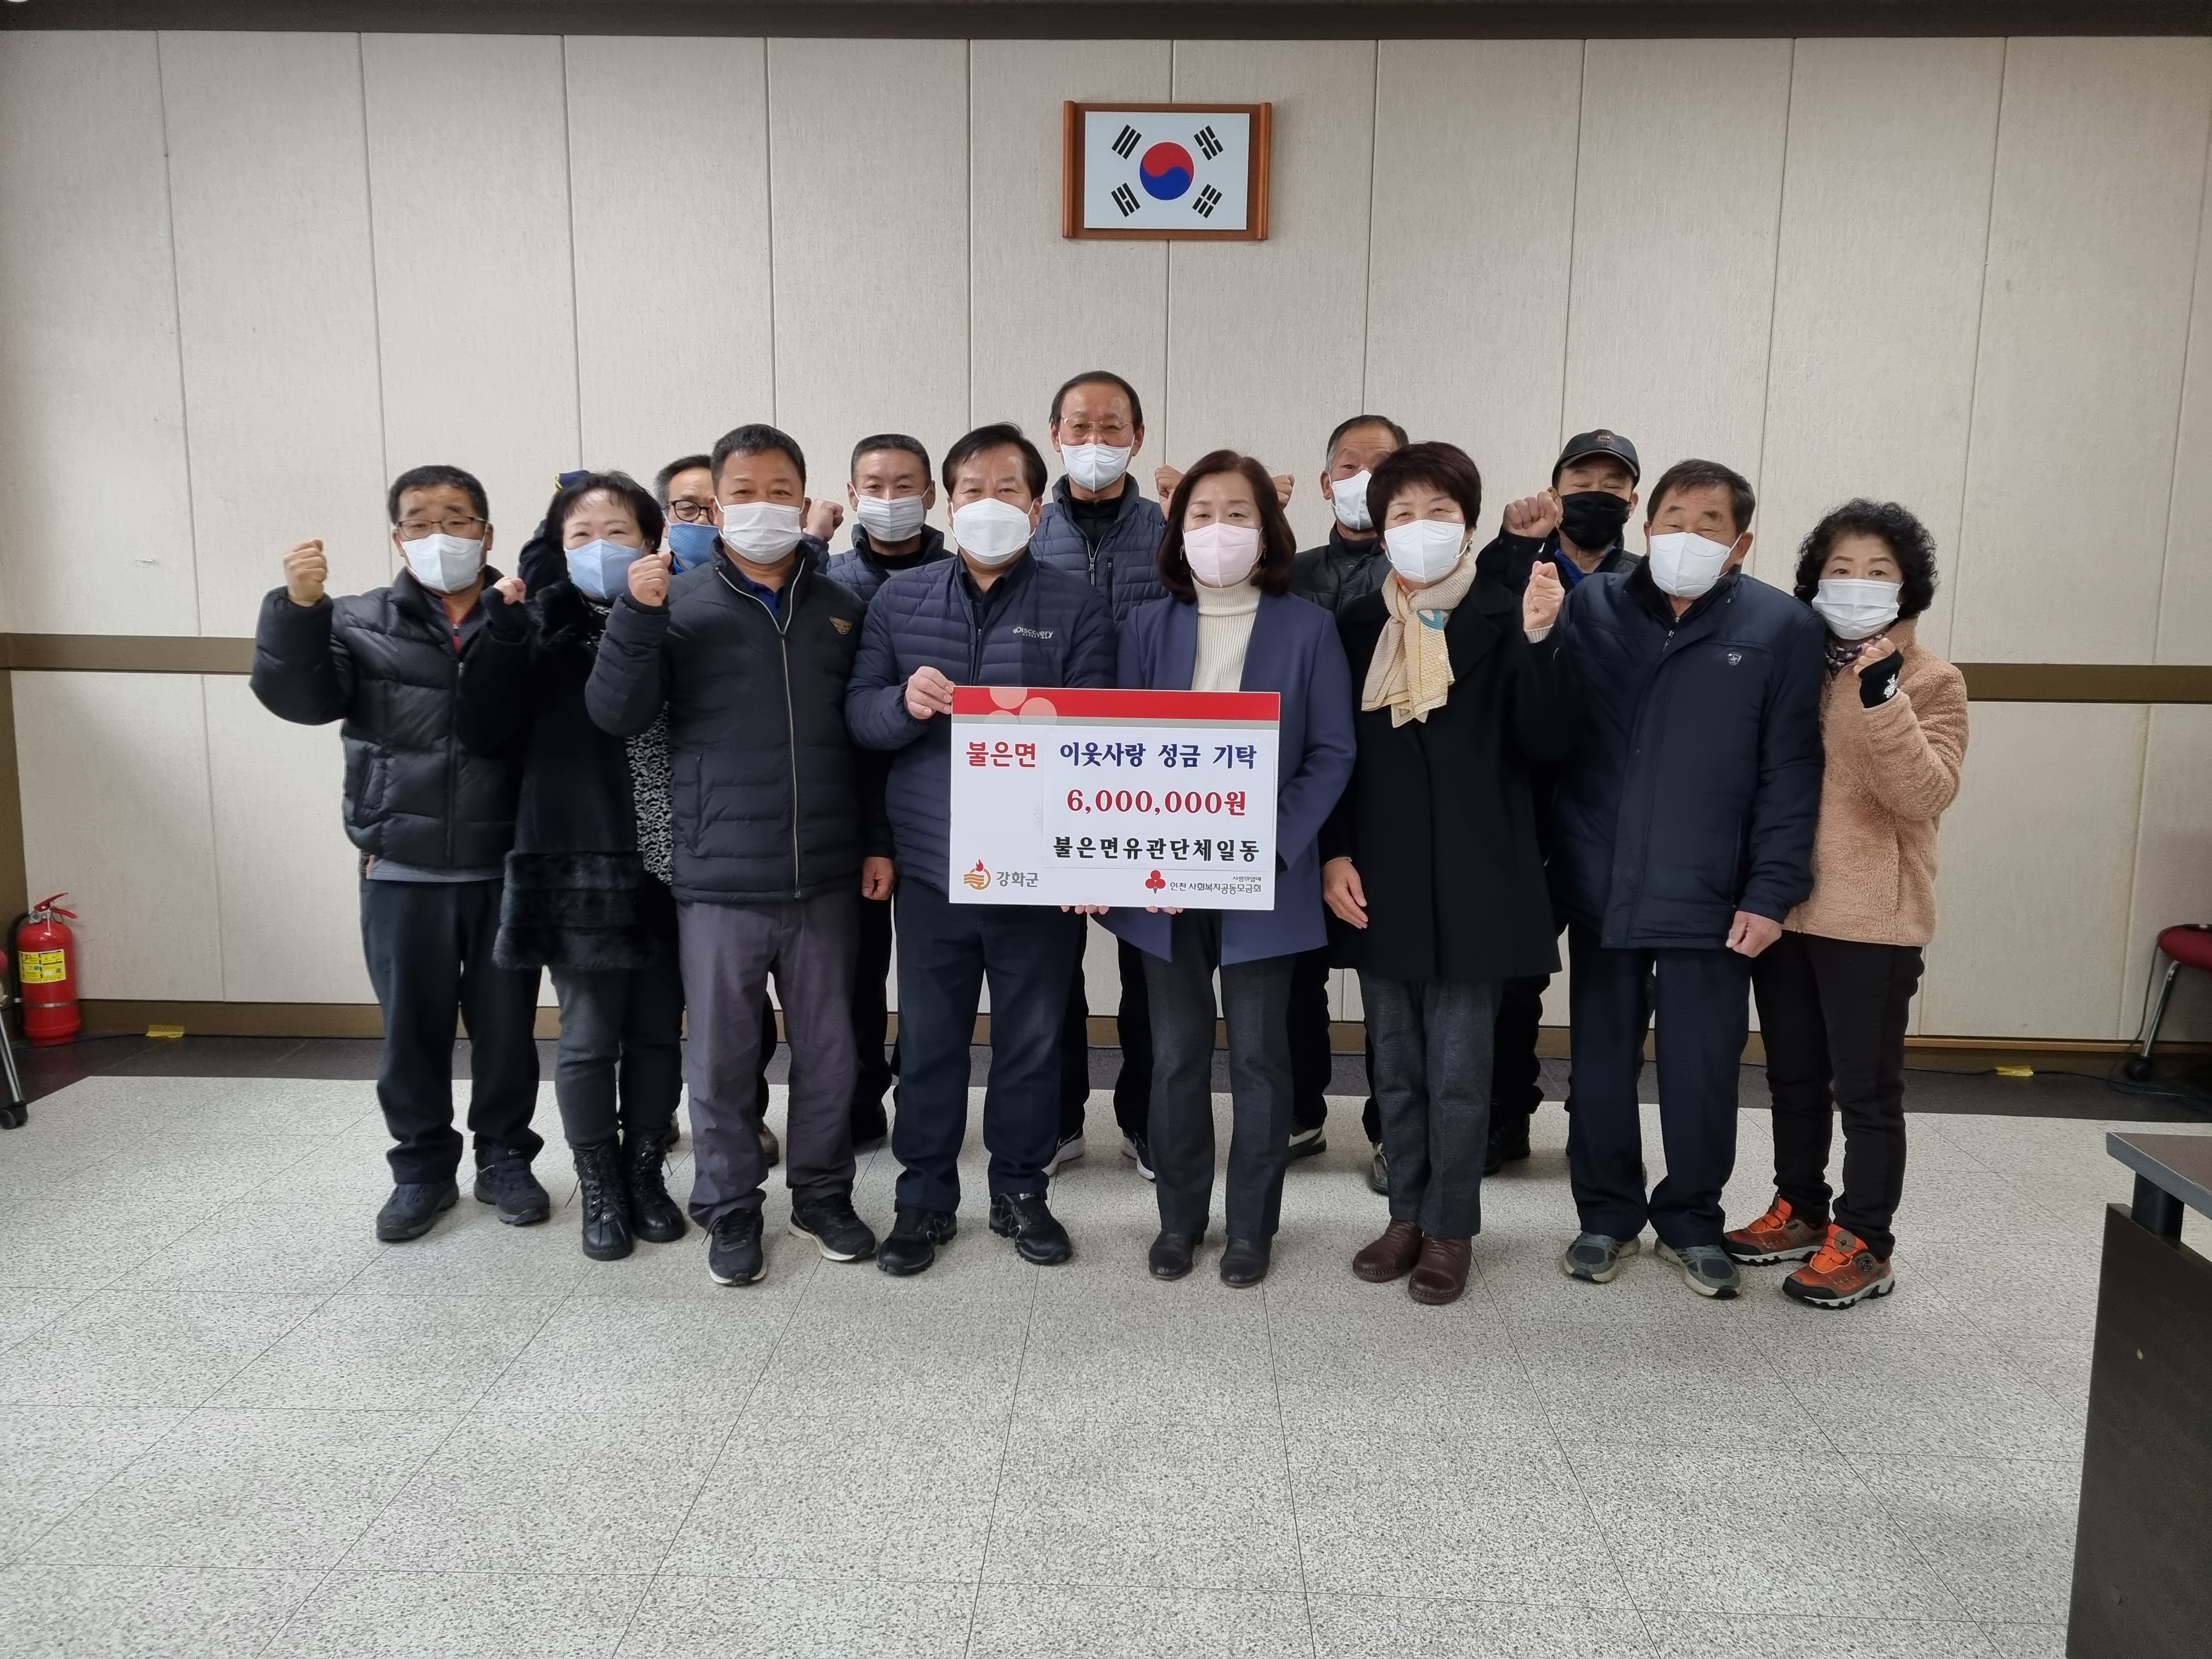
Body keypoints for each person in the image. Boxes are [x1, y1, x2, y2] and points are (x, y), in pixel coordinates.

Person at [588, 424, 890, 1287]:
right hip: (718, 875)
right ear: (717, 508)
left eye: (780, 491)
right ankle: (729, 1208)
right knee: (720, 1059)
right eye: (745, 493)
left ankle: (823, 1196)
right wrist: (636, 618)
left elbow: (866, 740)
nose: (764, 507)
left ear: (805, 500)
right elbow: (615, 713)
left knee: (832, 1053)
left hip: (825, 872)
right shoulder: (675, 604)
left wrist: (876, 841)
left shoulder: (841, 606)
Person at [1550, 459, 1824, 1300]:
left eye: (1711, 524)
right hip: (1603, 881)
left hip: (1714, 890)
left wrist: (1771, 892)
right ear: (1645, 526)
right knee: (1599, 1066)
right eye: (1674, 519)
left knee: (1702, 1070)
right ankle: (1605, 1216)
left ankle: (1692, 1220)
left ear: (1742, 543)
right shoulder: (1593, 606)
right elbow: (1550, 729)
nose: (1688, 535)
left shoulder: (1782, 625)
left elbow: (1791, 770)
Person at [847, 421, 1115, 1276]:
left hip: (1037, 872)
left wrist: (1087, 861)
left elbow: (1099, 739)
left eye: (1009, 490)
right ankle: (923, 1199)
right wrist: (903, 703)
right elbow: (860, 719)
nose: (989, 504)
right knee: (930, 1043)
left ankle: (1021, 1191)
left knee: (1032, 1042)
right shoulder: (900, 601)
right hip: (934, 869)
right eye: (973, 490)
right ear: (949, 503)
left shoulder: (1077, 606)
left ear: (1036, 510)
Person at [250, 464, 544, 1242]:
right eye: (419, 521)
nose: (438, 533)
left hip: (503, 864)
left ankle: (506, 1159)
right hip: (399, 866)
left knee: (508, 1032)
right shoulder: (356, 619)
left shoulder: (522, 615)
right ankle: (421, 1170)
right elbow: (301, 700)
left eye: (457, 518)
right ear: (397, 537)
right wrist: (298, 610)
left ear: (487, 532)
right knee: (411, 1032)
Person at [1321, 443, 1578, 1307]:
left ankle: (1452, 1228)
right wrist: (1334, 852)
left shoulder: (1509, 613)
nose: (1421, 528)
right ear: (1380, 528)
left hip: (1481, 877)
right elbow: (1335, 755)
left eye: (1440, 512)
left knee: (1464, 1070)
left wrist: (1541, 640)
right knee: (1395, 1065)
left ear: (1469, 528)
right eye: (1403, 514)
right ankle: (1405, 1214)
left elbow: (1551, 743)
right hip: (1382, 877)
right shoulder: (1356, 626)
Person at [1104, 452, 1356, 1286]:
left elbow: (1331, 753)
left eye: (1239, 514)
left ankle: (1252, 1227)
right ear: (1178, 531)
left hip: (1266, 877)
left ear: (1269, 530)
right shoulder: (1146, 626)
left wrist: (1268, 844)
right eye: (1203, 514)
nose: (1220, 530)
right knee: (1175, 1055)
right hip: (1163, 882)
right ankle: (1179, 1220)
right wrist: (1142, 855)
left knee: (1259, 1058)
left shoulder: (1309, 628)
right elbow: (1120, 750)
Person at [1724, 500, 1967, 1307]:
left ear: (1907, 588)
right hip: (1786, 908)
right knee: (1793, 1078)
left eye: (1877, 572)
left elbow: (1924, 793)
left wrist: (1883, 695)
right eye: (1841, 569)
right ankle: (1800, 1208)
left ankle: (1866, 1241)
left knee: (1866, 1093)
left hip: (1874, 921)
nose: (1857, 584)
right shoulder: (1799, 665)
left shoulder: (1932, 680)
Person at [461, 472, 687, 1260]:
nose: (599, 547)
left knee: (658, 1033)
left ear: (651, 539)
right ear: (557, 548)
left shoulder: (683, 612)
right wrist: (501, 631)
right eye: (580, 535)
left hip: (674, 859)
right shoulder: (536, 622)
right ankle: (598, 1184)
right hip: (579, 860)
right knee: (590, 1036)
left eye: (617, 531)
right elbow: (483, 729)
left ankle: (644, 1173)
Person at [1471, 428, 1644, 1177]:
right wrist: (1516, 547)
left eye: (1613, 484)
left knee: (1614, 988)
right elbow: (1482, 641)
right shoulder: (1514, 561)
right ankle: (1505, 1117)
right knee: (1512, 979)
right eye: (1583, 480)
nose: (1597, 494)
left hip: (1615, 807)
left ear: (1633, 498)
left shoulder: (1648, 580)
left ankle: (1595, 1129)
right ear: (1555, 488)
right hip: (1525, 807)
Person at [1030, 370, 1167, 1179]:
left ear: (1137, 439)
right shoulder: (1025, 526)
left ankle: (1146, 1121)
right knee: (1051, 960)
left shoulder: (1172, 529)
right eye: (1079, 426)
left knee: (1151, 961)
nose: (1094, 441)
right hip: (1046, 776)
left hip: (1148, 775)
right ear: (1055, 435)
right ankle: (1058, 1119)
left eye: (1112, 427)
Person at [1286, 413, 1408, 1190]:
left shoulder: (1425, 577)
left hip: (1389, 796)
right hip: (1296, 792)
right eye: (1350, 466)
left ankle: (1392, 1126)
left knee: (1387, 969)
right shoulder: (1289, 572)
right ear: (1327, 483)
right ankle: (1299, 1111)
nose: (1365, 479)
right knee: (1294, 965)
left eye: (1383, 465)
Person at [825, 435, 955, 1147]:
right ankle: (860, 1098)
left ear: (932, 495)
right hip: (852, 807)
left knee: (937, 972)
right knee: (861, 965)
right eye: (874, 486)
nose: (889, 499)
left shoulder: (959, 577)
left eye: (905, 485)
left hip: (942, 804)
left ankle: (925, 1094)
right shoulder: (829, 580)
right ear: (852, 495)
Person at [653, 454, 780, 1167]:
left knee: (736, 1003)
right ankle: (655, 1121)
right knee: (657, 1000)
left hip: (730, 840)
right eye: (687, 507)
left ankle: (743, 1118)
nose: (702, 518)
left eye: (712, 505)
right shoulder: (644, 595)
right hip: (648, 835)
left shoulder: (770, 596)